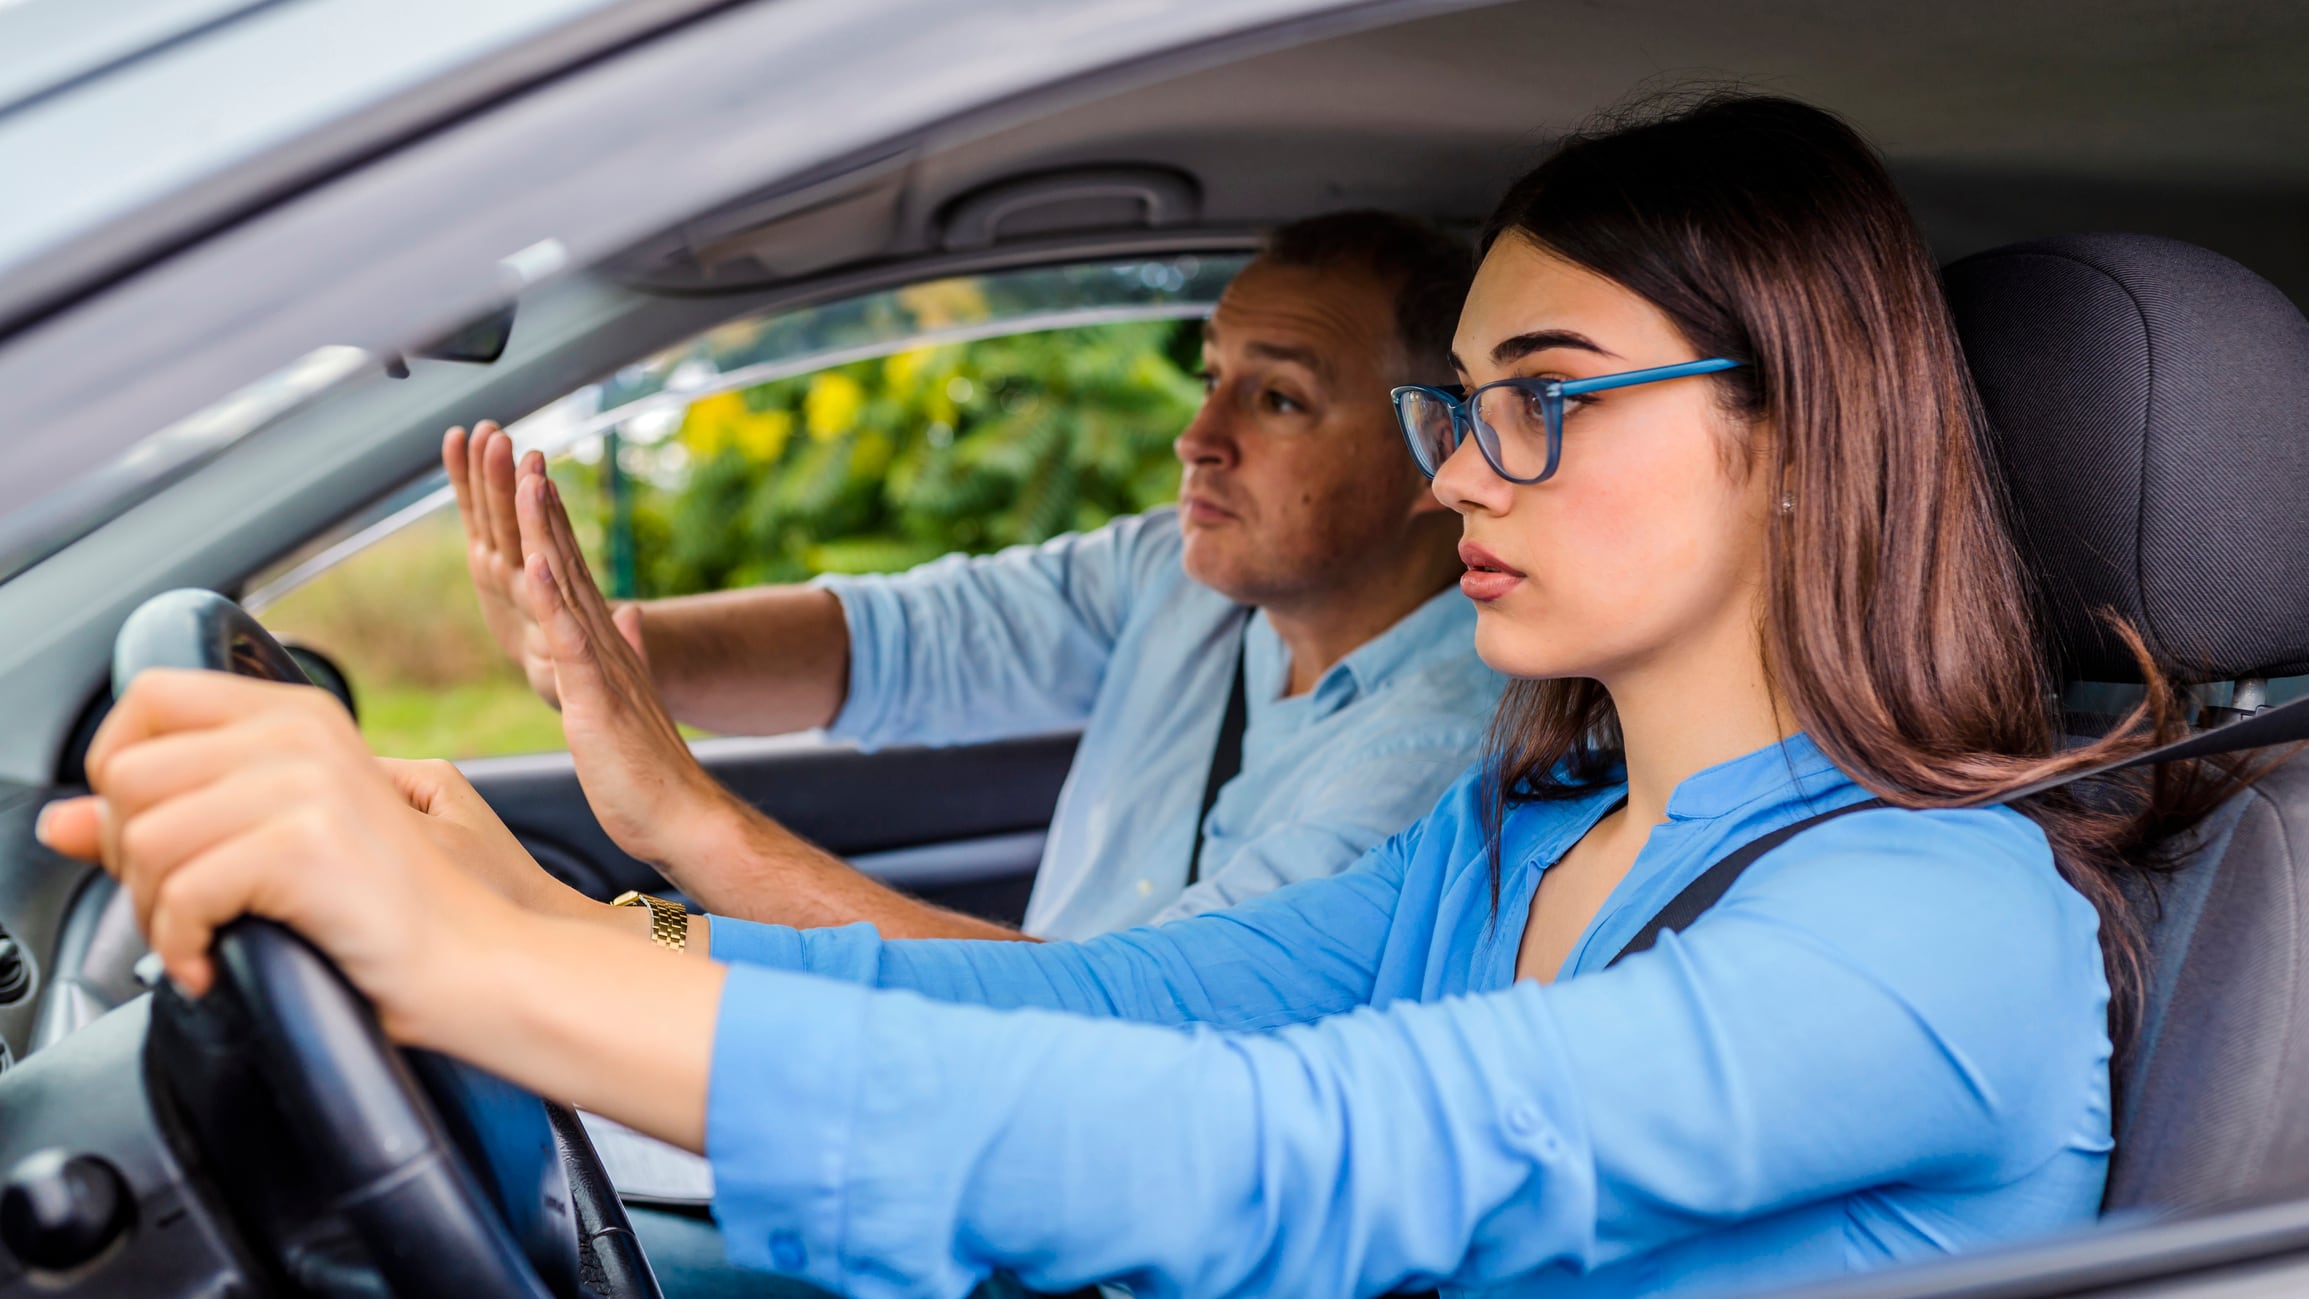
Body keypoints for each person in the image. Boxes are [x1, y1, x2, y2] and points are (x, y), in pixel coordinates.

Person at [41, 95, 2211, 1297]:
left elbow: (1302, 1155)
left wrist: (486, 976)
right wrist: (538, 923)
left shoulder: (1934, 923)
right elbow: (1121, 1017)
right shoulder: (1525, 837)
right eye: (1459, 404)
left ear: (1802, 437)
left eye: (1540, 401)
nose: (1457, 468)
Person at [443, 211, 1499, 941]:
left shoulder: (1446, 752)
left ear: (1435, 453)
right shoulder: (1179, 579)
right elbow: (894, 642)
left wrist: (680, 825)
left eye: (1277, 401)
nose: (1196, 437)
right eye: (1212, 376)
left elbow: (1124, 1023)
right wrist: (615, 652)